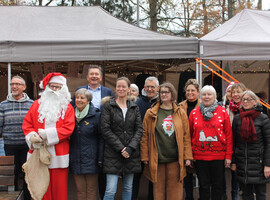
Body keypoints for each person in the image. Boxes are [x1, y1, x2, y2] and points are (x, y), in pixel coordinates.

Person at [23, 73, 75, 200]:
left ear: (64, 89)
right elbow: (27, 124)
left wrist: (47, 135)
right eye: (52, 86)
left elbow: (69, 128)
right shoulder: (36, 104)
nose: (55, 90)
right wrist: (33, 137)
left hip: (59, 154)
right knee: (41, 188)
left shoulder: (67, 107)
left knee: (59, 189)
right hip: (38, 152)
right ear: (47, 87)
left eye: (58, 87)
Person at [141, 82, 193, 200]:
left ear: (172, 94)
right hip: (157, 159)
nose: (163, 94)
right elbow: (144, 137)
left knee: (174, 192)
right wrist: (145, 157)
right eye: (161, 92)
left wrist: (187, 156)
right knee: (158, 192)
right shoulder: (151, 113)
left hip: (176, 159)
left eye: (166, 92)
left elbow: (186, 136)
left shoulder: (180, 113)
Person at [101, 77, 142, 200]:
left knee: (128, 187)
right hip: (112, 153)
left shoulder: (134, 107)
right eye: (118, 86)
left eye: (124, 86)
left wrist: (130, 148)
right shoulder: (109, 106)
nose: (121, 89)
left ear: (129, 89)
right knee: (110, 190)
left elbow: (139, 129)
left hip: (131, 154)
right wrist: (121, 148)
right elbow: (105, 130)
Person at [75, 65, 113, 199]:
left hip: (103, 135)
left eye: (97, 74)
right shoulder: (81, 91)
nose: (94, 76)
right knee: (83, 188)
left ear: (101, 77)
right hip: (87, 133)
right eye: (91, 74)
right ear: (87, 77)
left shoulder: (108, 92)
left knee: (100, 178)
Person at [189, 85, 233, 200]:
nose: (206, 97)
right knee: (203, 186)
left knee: (217, 186)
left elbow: (229, 135)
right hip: (200, 157)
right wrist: (189, 155)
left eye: (209, 94)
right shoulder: (194, 113)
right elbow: (189, 136)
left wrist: (228, 156)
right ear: (200, 96)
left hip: (218, 157)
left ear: (215, 96)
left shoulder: (223, 112)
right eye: (204, 94)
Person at [232, 90, 270, 200]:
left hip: (259, 164)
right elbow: (234, 142)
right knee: (246, 194)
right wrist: (234, 161)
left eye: (248, 99)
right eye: (243, 99)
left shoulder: (263, 119)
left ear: (255, 102)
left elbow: (268, 144)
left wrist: (268, 165)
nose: (245, 101)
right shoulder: (238, 118)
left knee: (261, 195)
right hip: (242, 163)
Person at [0, 76, 33, 199]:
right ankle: (11, 196)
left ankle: (28, 196)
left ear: (24, 87)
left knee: (27, 173)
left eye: (18, 84)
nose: (14, 86)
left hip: (27, 145)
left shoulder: (32, 104)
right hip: (10, 145)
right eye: (12, 84)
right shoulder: (3, 105)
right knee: (11, 173)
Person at [69, 88, 103, 200]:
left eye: (82, 98)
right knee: (80, 190)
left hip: (91, 158)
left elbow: (101, 138)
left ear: (88, 100)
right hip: (76, 158)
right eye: (77, 97)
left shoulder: (96, 115)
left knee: (92, 190)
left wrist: (100, 158)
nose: (78, 100)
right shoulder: (70, 115)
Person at [133, 76, 159, 200]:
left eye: (152, 87)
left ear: (157, 88)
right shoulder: (138, 104)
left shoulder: (161, 103)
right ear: (144, 87)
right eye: (147, 87)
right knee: (136, 175)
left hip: (155, 145)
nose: (150, 89)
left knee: (153, 175)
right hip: (138, 145)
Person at [179, 79, 200, 200]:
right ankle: (189, 197)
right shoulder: (180, 106)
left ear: (198, 92)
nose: (190, 92)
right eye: (188, 90)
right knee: (186, 175)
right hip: (185, 144)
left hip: (198, 144)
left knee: (201, 174)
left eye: (193, 90)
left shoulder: (203, 105)